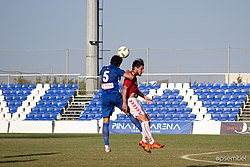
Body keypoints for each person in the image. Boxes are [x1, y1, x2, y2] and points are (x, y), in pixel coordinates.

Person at [100, 55, 142, 153]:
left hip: (105, 96)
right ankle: (143, 132)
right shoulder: (117, 70)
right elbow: (131, 77)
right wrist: (126, 71)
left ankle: (106, 145)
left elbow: (101, 73)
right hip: (115, 95)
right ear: (119, 64)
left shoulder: (103, 69)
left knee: (105, 121)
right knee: (128, 112)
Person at [122, 58, 164, 153]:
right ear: (135, 68)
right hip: (131, 101)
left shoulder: (134, 77)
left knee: (147, 119)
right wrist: (124, 103)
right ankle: (152, 142)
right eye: (141, 68)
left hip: (135, 100)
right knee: (144, 120)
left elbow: (135, 90)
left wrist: (144, 97)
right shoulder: (130, 76)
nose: (143, 71)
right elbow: (124, 89)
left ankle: (144, 141)